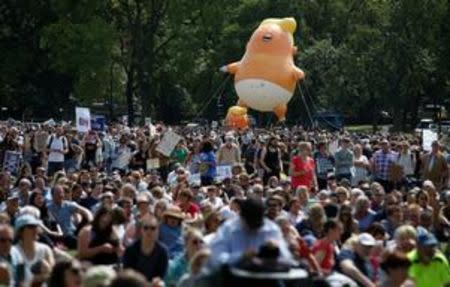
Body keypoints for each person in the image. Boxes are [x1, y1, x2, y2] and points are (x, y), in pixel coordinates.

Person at [208, 198, 292, 269]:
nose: (254, 228)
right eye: (251, 222)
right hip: (234, 276)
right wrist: (242, 256)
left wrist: (276, 251)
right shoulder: (228, 229)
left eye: (257, 223)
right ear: (242, 217)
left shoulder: (271, 229)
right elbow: (216, 258)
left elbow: (287, 259)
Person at [123, 213, 169, 282]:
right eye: (146, 228)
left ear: (158, 230)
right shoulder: (131, 250)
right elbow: (127, 273)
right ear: (141, 230)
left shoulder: (163, 251)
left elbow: (161, 276)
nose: (149, 231)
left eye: (153, 228)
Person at [11, 214, 55, 286]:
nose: (35, 229)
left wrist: (48, 270)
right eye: (31, 227)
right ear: (20, 232)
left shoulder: (45, 249)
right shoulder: (13, 252)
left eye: (36, 226)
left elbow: (53, 277)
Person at [47, 184, 93, 248]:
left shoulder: (68, 204)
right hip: (62, 235)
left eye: (61, 193)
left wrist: (90, 221)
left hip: (73, 231)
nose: (60, 195)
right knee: (72, 239)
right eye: (58, 193)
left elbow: (85, 211)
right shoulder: (48, 207)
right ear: (52, 195)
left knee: (85, 219)